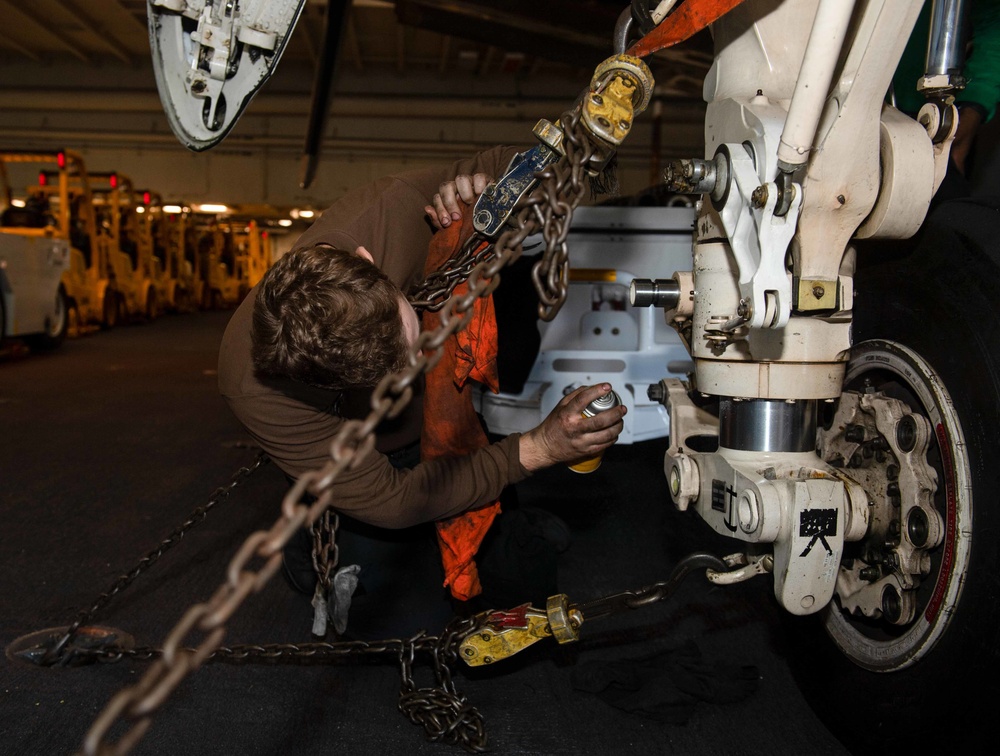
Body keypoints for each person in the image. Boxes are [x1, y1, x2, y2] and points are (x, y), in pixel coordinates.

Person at [218, 145, 626, 637]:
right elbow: (394, 500)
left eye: (411, 339)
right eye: (394, 369)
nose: (418, 363)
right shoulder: (259, 389)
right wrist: (538, 449)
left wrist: (485, 195)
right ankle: (311, 546)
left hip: (439, 424)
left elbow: (548, 164)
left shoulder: (389, 213)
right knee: (387, 614)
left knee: (514, 575)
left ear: (367, 260)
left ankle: (526, 523)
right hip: (363, 462)